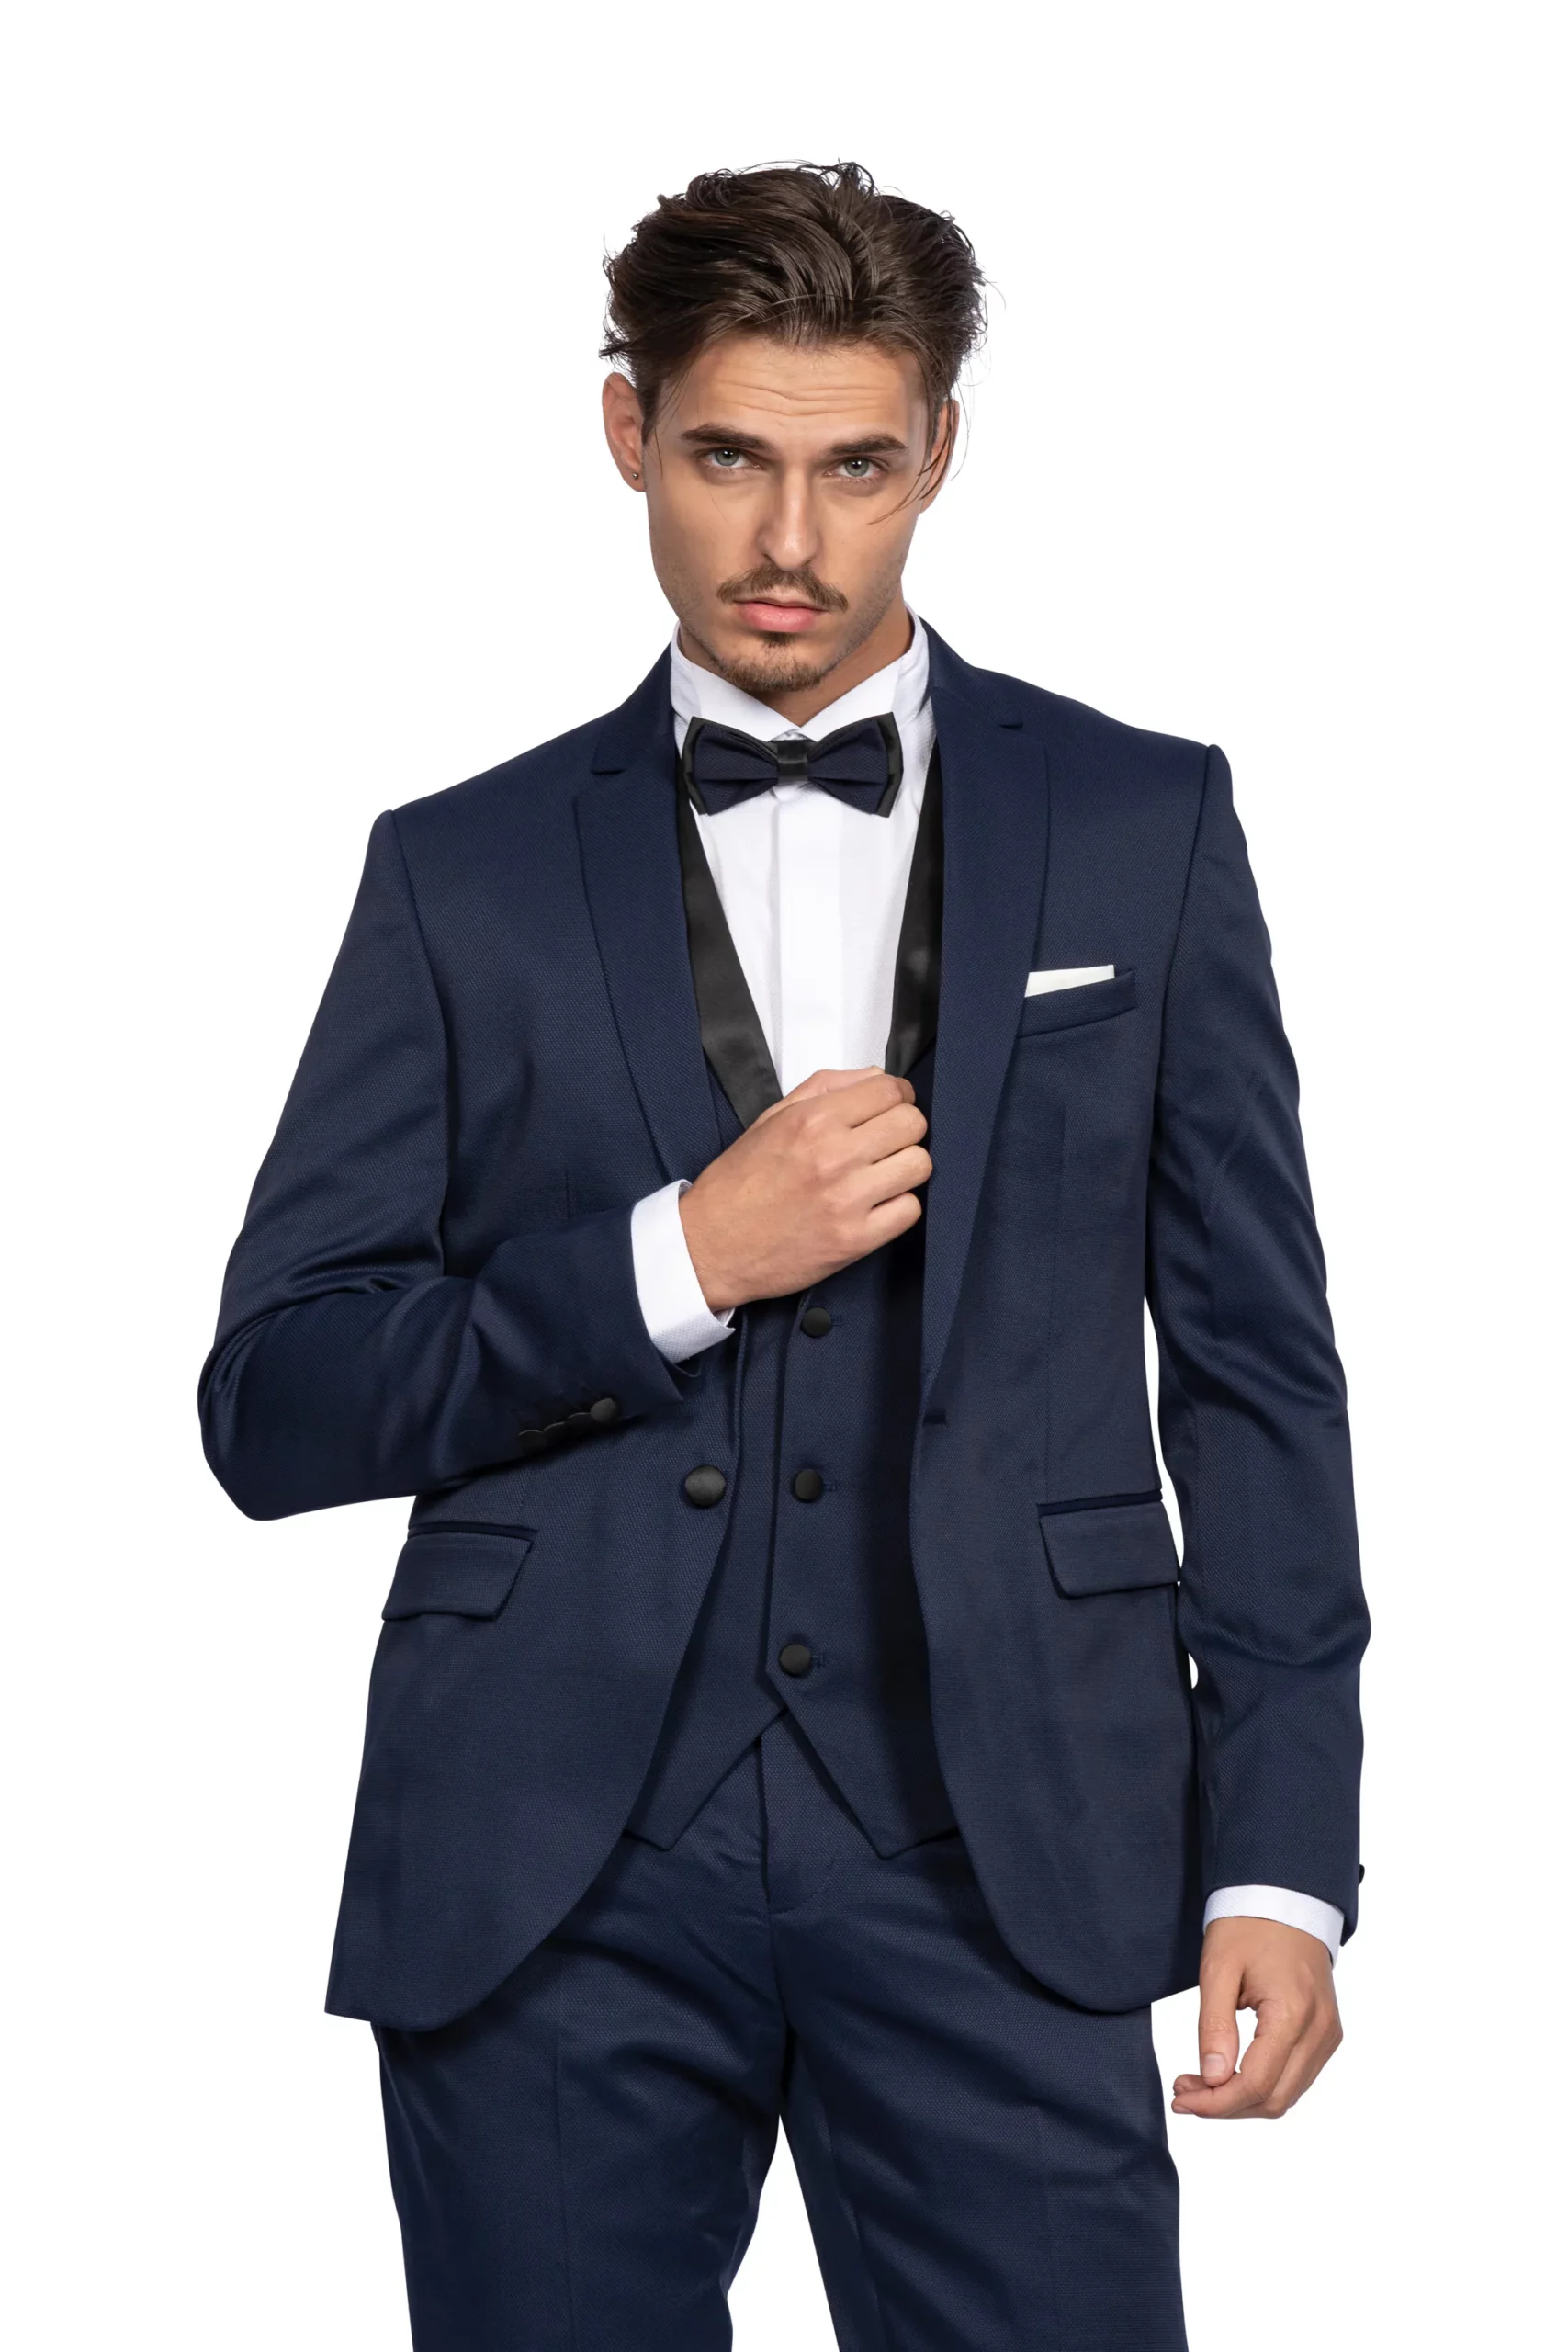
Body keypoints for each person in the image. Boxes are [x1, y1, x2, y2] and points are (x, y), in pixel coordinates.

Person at [200, 160, 1368, 2351]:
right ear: (628, 430)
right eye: (730, 458)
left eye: (857, 469)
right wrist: (673, 1255)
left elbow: (1254, 1373)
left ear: (939, 453)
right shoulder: (459, 873)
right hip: (550, 1868)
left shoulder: (1144, 823)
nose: (792, 545)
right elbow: (273, 1397)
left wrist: (1282, 1851)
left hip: (1009, 1847)